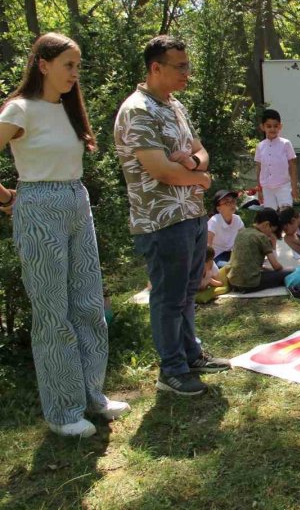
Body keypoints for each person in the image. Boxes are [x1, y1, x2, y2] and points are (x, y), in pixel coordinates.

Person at [0, 33, 129, 437]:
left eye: (78, 66)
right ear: (43, 64)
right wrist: (4, 195)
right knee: (53, 312)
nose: (75, 73)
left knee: (88, 305)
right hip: (39, 206)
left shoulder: (67, 109)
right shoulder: (20, 109)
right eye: (68, 65)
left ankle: (92, 395)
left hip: (76, 200)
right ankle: (62, 411)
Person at [114, 34, 230, 397]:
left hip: (191, 215)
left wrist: (195, 164)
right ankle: (172, 370)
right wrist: (201, 177)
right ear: (155, 68)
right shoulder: (137, 110)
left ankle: (190, 355)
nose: (187, 73)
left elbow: (199, 150)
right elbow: (160, 170)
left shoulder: (174, 105)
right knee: (167, 296)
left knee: (186, 292)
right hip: (161, 221)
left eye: (187, 66)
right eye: (180, 67)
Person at [228, 208, 292, 292]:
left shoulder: (242, 232)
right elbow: (276, 266)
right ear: (267, 224)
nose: (270, 234)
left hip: (233, 282)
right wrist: (285, 270)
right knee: (291, 271)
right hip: (250, 284)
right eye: (272, 231)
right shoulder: (262, 237)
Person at [255, 109, 299, 209]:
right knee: (270, 215)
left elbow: (292, 166)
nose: (272, 129)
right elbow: (259, 169)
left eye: (276, 126)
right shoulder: (260, 146)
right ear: (262, 127)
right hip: (266, 188)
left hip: (283, 186)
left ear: (280, 126)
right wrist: (259, 190)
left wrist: (294, 187)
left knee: (286, 213)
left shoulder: (286, 144)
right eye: (269, 126)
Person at [207, 189, 244, 267]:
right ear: (218, 208)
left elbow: (245, 238)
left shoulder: (237, 219)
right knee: (232, 268)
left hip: (232, 254)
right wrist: (208, 264)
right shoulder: (214, 221)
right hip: (217, 256)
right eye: (227, 202)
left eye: (233, 201)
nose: (232, 204)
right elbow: (207, 245)